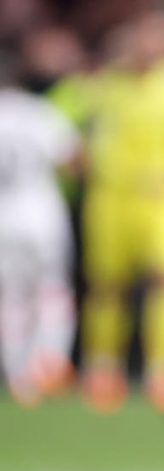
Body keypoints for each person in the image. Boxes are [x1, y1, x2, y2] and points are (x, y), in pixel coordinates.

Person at [78, 11, 164, 415]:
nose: (149, 45)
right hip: (111, 197)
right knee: (107, 286)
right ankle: (102, 370)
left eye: (159, 37)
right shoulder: (104, 82)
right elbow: (65, 119)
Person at [0, 57, 78, 407]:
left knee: (11, 296)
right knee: (52, 290)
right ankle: (49, 366)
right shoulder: (38, 111)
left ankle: (18, 375)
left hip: (4, 215)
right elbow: (74, 160)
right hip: (41, 214)